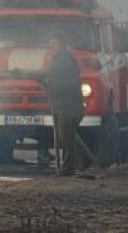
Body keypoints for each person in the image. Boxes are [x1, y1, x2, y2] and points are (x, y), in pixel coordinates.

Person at [21, 33, 92, 175]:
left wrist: (34, 76)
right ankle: (85, 158)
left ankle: (68, 169)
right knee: (67, 135)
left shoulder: (64, 60)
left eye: (56, 44)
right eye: (51, 44)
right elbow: (50, 76)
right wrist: (29, 74)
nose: (52, 47)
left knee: (66, 138)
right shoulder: (59, 59)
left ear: (63, 45)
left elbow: (54, 77)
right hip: (62, 105)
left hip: (69, 106)